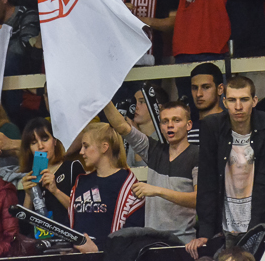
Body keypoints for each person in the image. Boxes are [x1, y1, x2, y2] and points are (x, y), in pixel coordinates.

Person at [186, 76, 265, 258]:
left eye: (244, 99)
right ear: (224, 102)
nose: (238, 106)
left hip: (261, 220)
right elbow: (207, 181)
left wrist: (253, 229)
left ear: (254, 101)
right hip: (224, 224)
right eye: (232, 100)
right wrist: (205, 231)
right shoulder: (212, 126)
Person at [104, 100, 199, 243]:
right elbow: (122, 127)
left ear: (189, 125)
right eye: (165, 121)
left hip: (182, 243)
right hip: (152, 241)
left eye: (176, 120)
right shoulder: (154, 150)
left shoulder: (197, 155)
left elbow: (198, 199)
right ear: (160, 126)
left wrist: (157, 190)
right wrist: (102, 98)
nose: (170, 125)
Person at [69, 122, 145, 253]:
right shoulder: (81, 181)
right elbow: (71, 223)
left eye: (86, 146)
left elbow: (133, 234)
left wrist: (98, 249)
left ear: (104, 147)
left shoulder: (128, 185)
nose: (81, 152)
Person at [19, 118, 84, 229]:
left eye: (45, 139)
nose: (40, 146)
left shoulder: (72, 167)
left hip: (68, 236)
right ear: (29, 149)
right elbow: (23, 227)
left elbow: (83, 212)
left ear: (55, 141)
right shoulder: (28, 177)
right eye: (33, 143)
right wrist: (28, 196)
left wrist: (56, 191)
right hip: (40, 237)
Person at [188, 62, 225, 144]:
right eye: (194, 88)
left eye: (206, 87)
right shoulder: (185, 129)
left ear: (220, 89)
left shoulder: (232, 126)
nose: (198, 94)